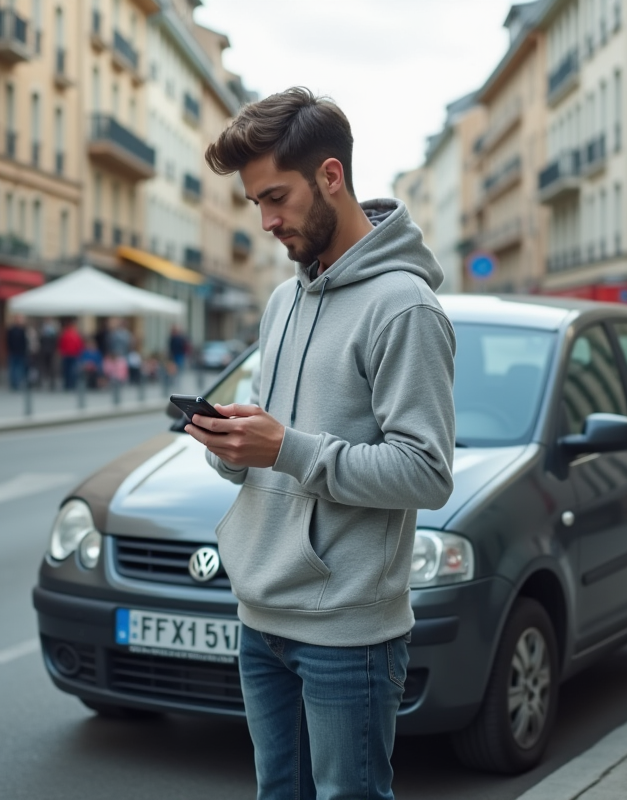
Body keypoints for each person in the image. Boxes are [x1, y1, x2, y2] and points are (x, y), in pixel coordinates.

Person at [186, 87, 456, 800]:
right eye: (255, 204)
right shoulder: (284, 300)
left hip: (348, 632)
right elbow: (278, 440)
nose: (267, 221)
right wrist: (231, 444)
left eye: (277, 197)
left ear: (330, 177)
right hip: (261, 612)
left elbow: (426, 473)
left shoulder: (405, 307)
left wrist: (289, 450)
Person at [58, 319, 84, 390]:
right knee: (72, 371)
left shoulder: (65, 333)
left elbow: (61, 344)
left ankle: (67, 385)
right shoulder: (75, 334)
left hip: (67, 354)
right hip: (73, 354)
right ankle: (71, 384)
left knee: (67, 370)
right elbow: (79, 344)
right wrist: (79, 353)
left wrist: (62, 352)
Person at [6, 314, 29, 391]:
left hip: (20, 352)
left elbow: (25, 342)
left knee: (19, 368)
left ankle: (17, 382)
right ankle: (14, 383)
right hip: (14, 352)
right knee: (14, 368)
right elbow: (8, 341)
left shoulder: (23, 330)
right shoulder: (12, 330)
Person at [39, 319, 59, 391]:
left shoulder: (48, 333)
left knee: (49, 368)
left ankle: (49, 383)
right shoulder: (51, 334)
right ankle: (49, 382)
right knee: (48, 368)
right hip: (48, 352)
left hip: (48, 352)